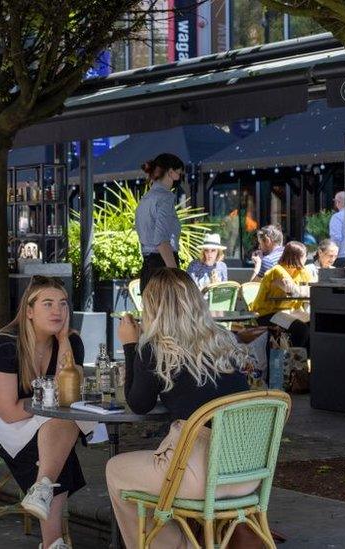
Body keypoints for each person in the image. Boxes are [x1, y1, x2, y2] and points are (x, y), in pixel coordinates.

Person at [108, 268, 253, 549]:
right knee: (148, 477)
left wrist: (129, 345)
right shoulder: (224, 341)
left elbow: (139, 404)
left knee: (116, 469)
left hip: (199, 473)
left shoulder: (155, 348)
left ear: (153, 307)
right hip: (245, 474)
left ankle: (170, 545)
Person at [0, 277, 86, 549]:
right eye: (48, 304)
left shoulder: (71, 343)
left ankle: (43, 495)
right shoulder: (6, 344)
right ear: (29, 311)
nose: (58, 311)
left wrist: (64, 340)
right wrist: (49, 411)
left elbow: (67, 398)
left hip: (39, 417)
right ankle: (52, 540)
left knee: (60, 427)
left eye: (63, 304)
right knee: (50, 449)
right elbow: (7, 411)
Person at [134, 153, 185, 291]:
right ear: (170, 172)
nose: (180, 178)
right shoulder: (165, 197)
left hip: (147, 269)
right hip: (163, 268)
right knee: (169, 312)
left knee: (151, 312)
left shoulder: (145, 199)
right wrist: (176, 275)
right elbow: (162, 241)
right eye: (179, 173)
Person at [250, 241, 313, 349]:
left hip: (291, 311)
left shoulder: (302, 271)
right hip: (268, 313)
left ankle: (306, 361)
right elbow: (292, 290)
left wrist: (302, 290)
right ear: (296, 257)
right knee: (300, 329)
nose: (306, 258)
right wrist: (301, 290)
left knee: (314, 326)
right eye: (305, 256)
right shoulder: (277, 271)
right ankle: (289, 358)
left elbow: (312, 288)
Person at [330, 191, 345, 267]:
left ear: (338, 202)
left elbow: (336, 238)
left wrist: (332, 256)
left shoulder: (337, 217)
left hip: (342, 257)